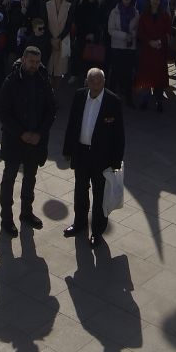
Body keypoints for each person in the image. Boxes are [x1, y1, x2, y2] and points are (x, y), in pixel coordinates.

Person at [62, 66, 126, 242]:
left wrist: (116, 161)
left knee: (100, 195)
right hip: (82, 153)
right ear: (87, 82)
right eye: (92, 81)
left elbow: (119, 135)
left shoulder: (113, 101)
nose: (96, 85)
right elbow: (72, 124)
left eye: (99, 81)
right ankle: (80, 223)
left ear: (104, 82)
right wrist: (68, 150)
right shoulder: (80, 96)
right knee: (80, 191)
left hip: (101, 156)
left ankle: (97, 231)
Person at [0, 43, 57, 235]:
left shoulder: (43, 80)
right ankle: (6, 219)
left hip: (35, 142)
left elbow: (51, 110)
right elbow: (4, 113)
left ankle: (26, 213)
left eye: (37, 62)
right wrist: (21, 133)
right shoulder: (11, 81)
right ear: (23, 60)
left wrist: (39, 133)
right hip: (15, 140)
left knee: (30, 179)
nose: (34, 65)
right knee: (9, 179)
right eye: (31, 61)